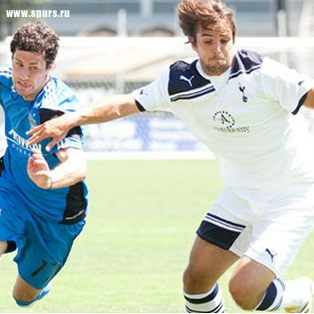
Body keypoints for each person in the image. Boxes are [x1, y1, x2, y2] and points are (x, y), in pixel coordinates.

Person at [27, 0, 314, 312]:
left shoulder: (262, 73)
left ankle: (297, 295)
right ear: (191, 43)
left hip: (293, 195)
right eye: (208, 42)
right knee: (196, 280)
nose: (218, 50)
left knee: (243, 291)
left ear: (234, 38)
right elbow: (124, 104)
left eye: (225, 41)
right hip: (242, 194)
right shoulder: (178, 82)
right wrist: (73, 118)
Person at [0, 22, 88, 307]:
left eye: (34, 67)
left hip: (55, 216)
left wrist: (47, 179)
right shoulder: (7, 83)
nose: (23, 75)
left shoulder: (55, 109)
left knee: (22, 297)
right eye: (18, 64)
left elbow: (77, 166)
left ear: (50, 68)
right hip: (10, 187)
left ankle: (24, 249)